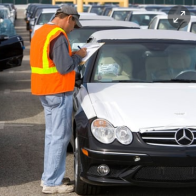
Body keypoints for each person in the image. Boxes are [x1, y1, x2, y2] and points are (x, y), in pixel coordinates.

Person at [30, 5, 87, 194]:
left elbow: (52, 61)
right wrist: (78, 57)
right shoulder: (58, 35)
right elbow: (64, 68)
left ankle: (49, 177)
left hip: (45, 90)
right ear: (68, 18)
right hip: (58, 90)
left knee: (52, 136)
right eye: (74, 24)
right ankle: (52, 183)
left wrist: (71, 56)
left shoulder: (41, 32)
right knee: (60, 137)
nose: (72, 29)